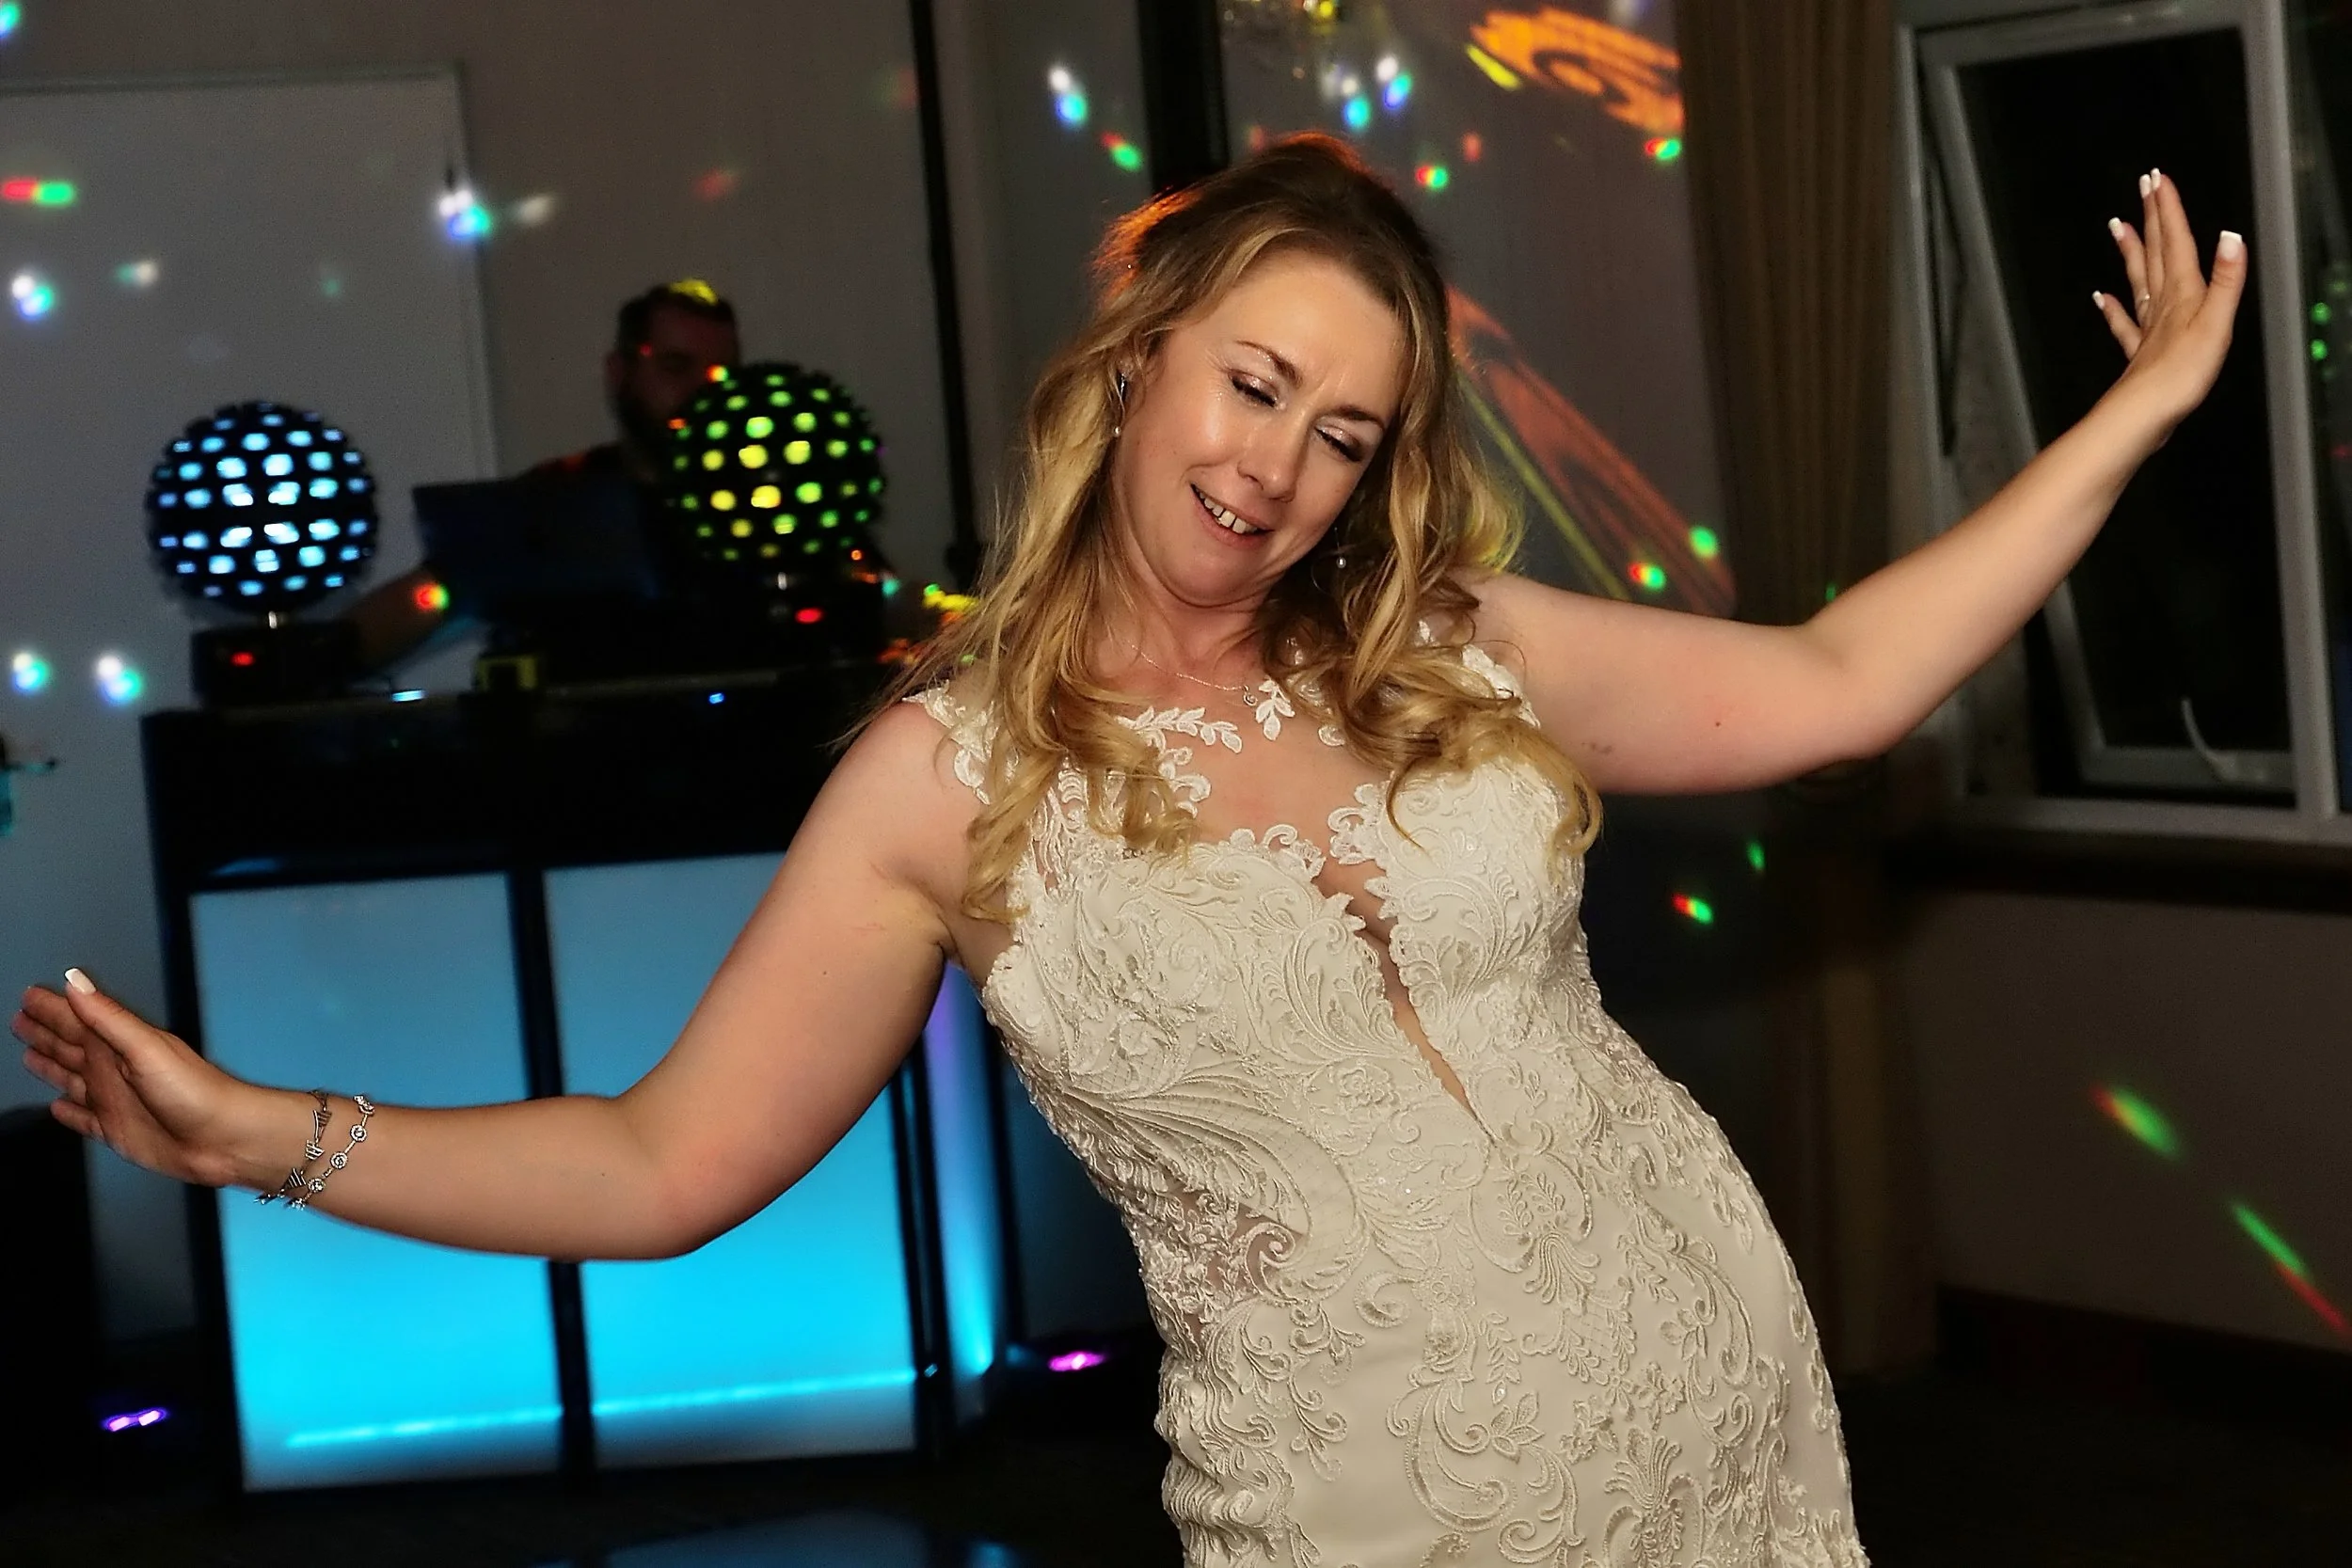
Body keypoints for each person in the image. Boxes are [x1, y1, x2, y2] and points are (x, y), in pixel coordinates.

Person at [16, 137, 2242, 1564]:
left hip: (1717, 1414)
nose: (1282, 465)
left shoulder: (1448, 642)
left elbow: (1847, 674)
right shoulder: (946, 777)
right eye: (1256, 384)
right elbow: (658, 1164)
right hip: (1382, 1513)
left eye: (1346, 432)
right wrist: (271, 1137)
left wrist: (2132, 417)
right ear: (1147, 356)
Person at [344, 279, 741, 673]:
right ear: (619, 373)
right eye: (676, 367)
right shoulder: (560, 496)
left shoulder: (763, 500)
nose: (701, 390)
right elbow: (431, 593)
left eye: (721, 375)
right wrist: (316, 659)